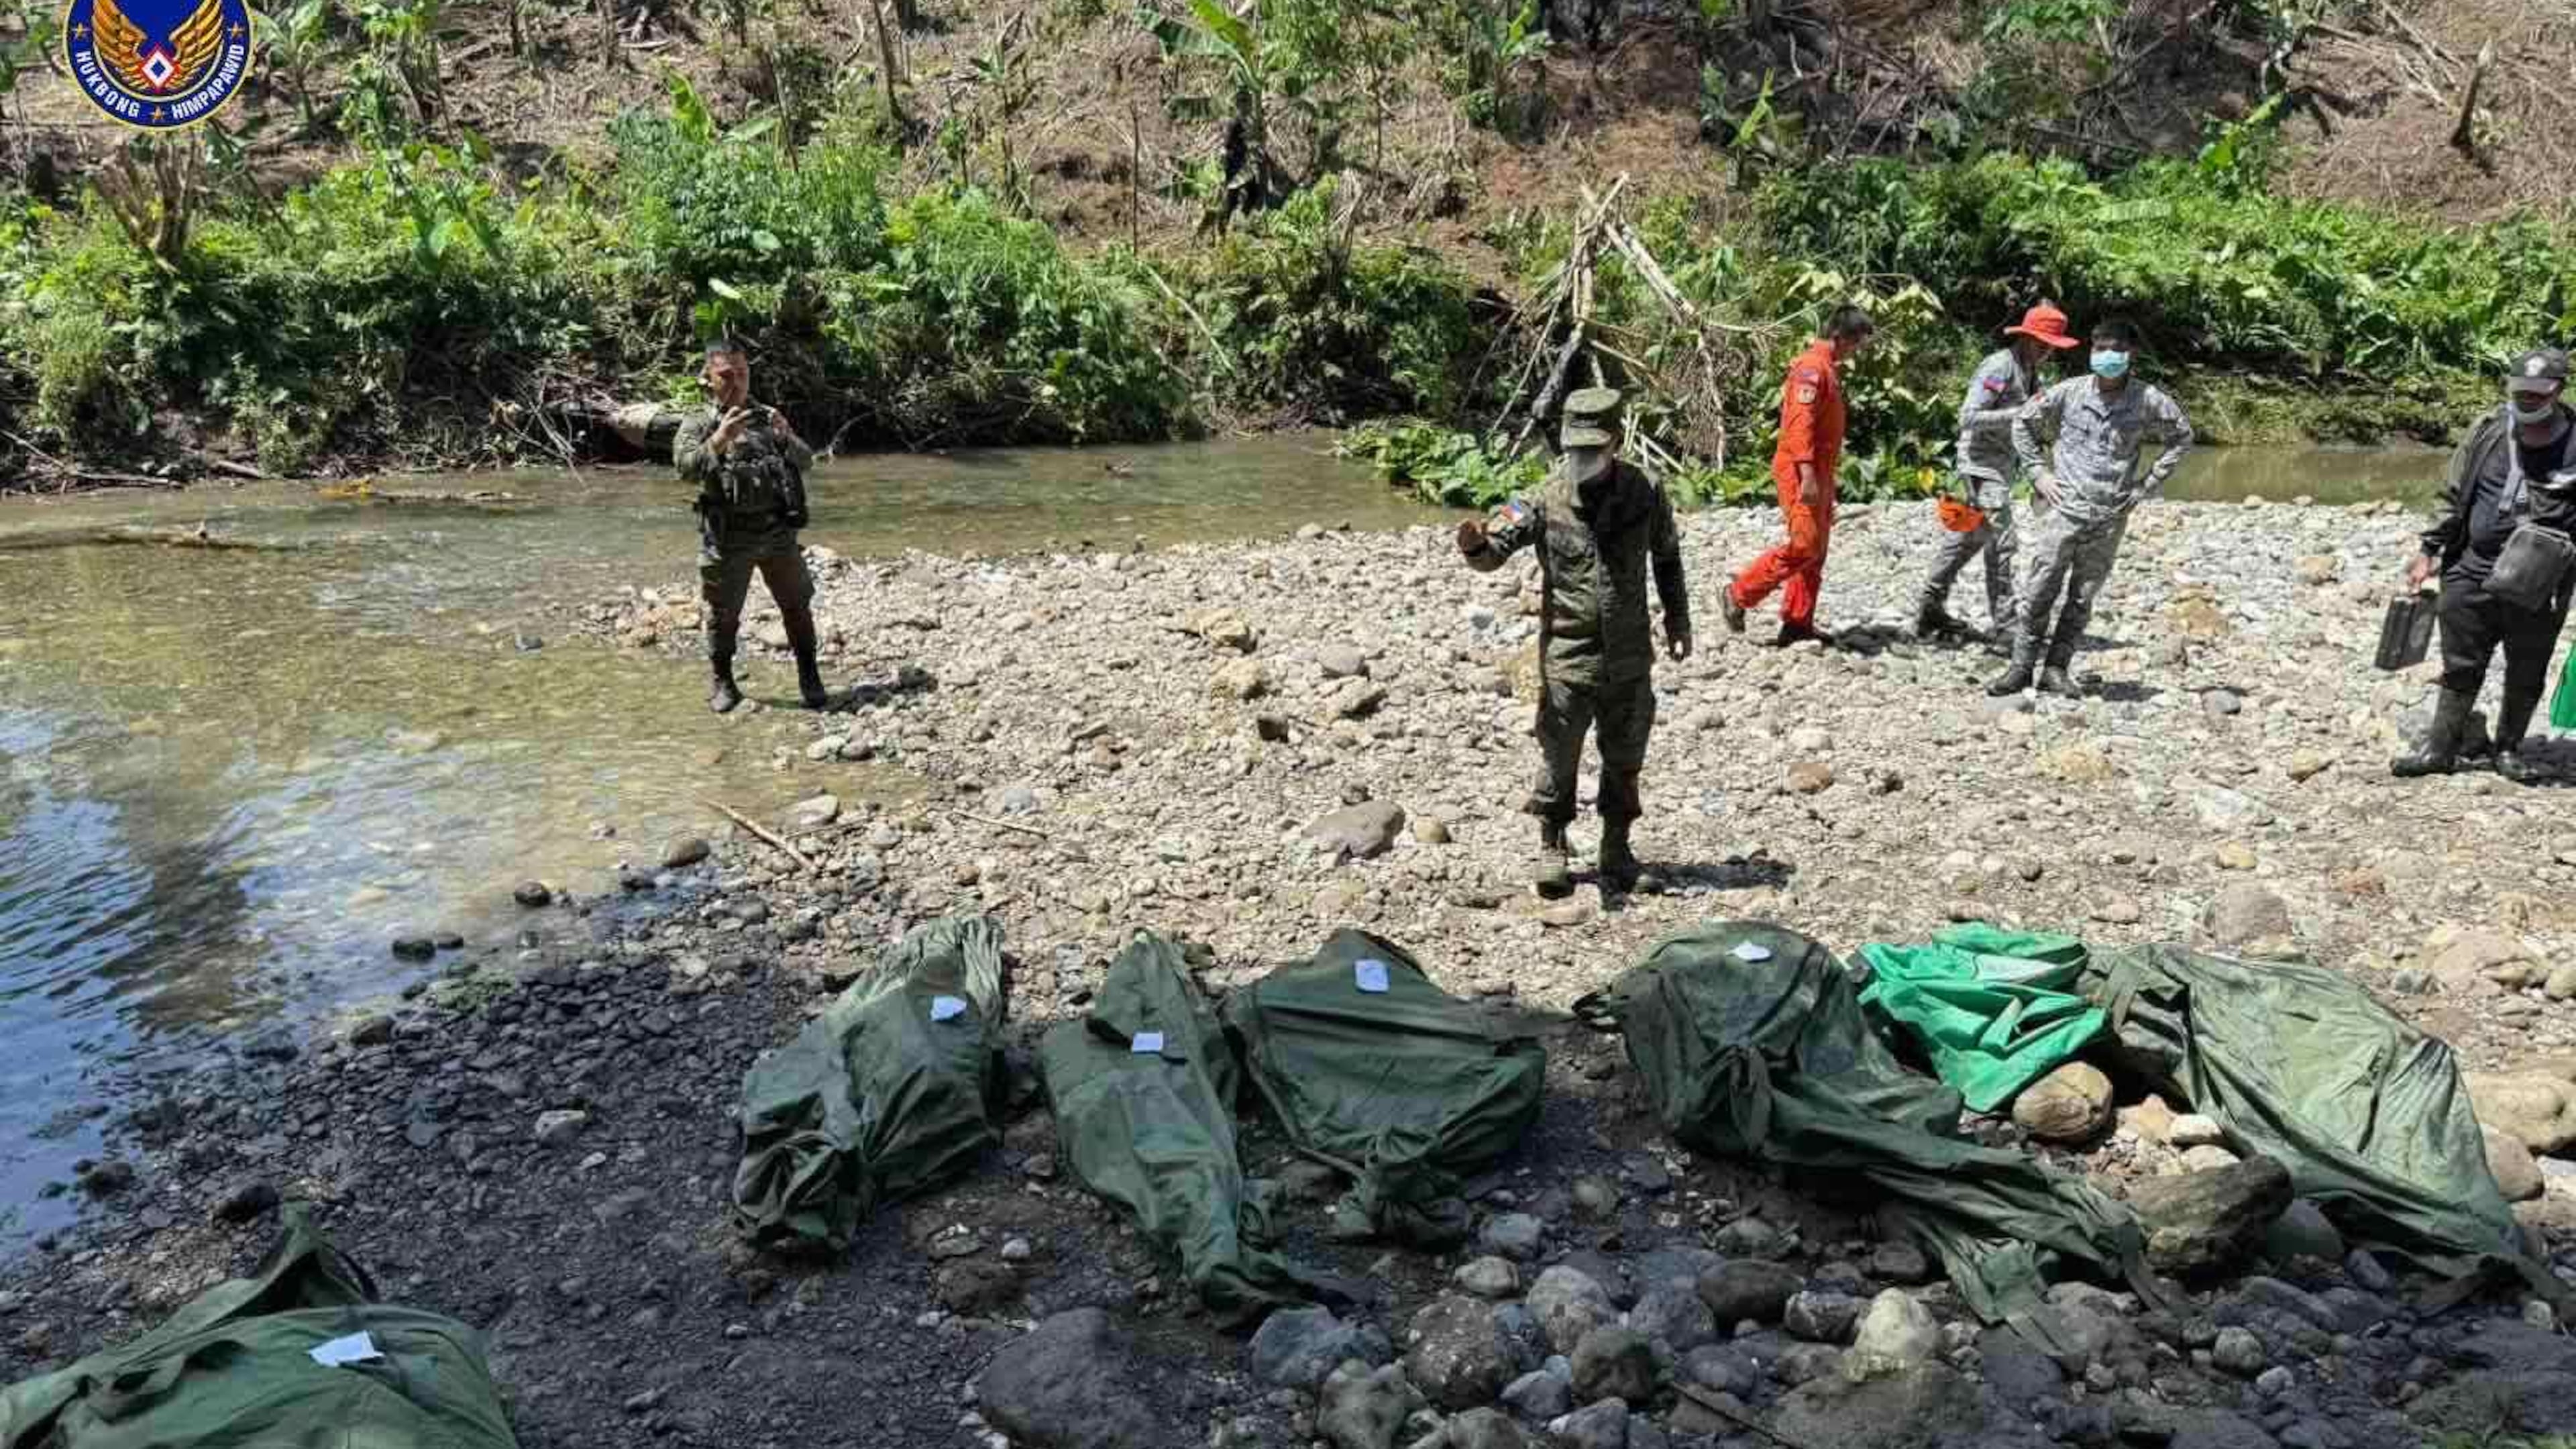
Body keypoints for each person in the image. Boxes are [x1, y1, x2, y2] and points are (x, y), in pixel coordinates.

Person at [1457, 387, 1691, 896]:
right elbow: (1495, 549)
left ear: (1614, 445)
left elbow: (1667, 559)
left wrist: (1679, 622)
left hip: (1629, 654)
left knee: (1625, 754)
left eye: (1593, 451)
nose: (1583, 460)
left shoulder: (1646, 491)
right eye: (1576, 451)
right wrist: (1474, 545)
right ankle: (1553, 845)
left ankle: (1616, 849)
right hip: (1568, 654)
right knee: (1559, 754)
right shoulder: (1544, 498)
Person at [2394, 347, 2575, 782]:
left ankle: (2508, 749)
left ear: (2559, 391)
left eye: (2537, 394)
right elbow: (2453, 493)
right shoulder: (2488, 431)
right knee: (2461, 662)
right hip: (2470, 569)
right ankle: (2440, 749)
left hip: (2541, 580)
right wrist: (2428, 551)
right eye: (2521, 392)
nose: (2528, 400)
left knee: (2527, 666)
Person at [1987, 319, 2194, 698]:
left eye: (2114, 351)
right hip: (2063, 511)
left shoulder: (2149, 400)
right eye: (2099, 350)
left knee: (2082, 598)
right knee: (2039, 590)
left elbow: (2182, 438)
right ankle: (2019, 669)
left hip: (2109, 516)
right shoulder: (2069, 393)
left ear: (2131, 354)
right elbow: (2022, 424)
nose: (2105, 357)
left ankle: (2056, 669)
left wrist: (2146, 485)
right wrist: (2037, 473)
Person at [674, 338, 829, 714]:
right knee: (723, 613)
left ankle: (810, 676)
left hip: (778, 533)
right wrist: (720, 439)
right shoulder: (698, 422)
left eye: (742, 373)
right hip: (728, 537)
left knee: (797, 605)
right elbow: (685, 469)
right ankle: (723, 681)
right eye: (726, 375)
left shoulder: (768, 416)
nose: (737, 382)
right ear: (708, 378)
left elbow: (807, 461)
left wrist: (786, 437)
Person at [1915, 303, 2082, 647]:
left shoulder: (2031, 371)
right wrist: (2018, 413)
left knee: (1967, 539)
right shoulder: (1999, 367)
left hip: (2001, 468)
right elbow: (1968, 416)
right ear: (2025, 339)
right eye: (2042, 344)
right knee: (2003, 543)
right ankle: (2005, 627)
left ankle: (1930, 607)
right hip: (1979, 467)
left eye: (2051, 347)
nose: (2047, 352)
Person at [1722, 306, 1874, 646]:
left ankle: (1797, 623)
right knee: (1804, 543)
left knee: (1817, 550)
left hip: (1819, 472)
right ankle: (1738, 593)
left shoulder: (1827, 369)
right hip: (1800, 471)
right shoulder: (1811, 369)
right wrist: (1807, 475)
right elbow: (1798, 426)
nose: (1856, 352)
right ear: (1841, 338)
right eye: (1855, 344)